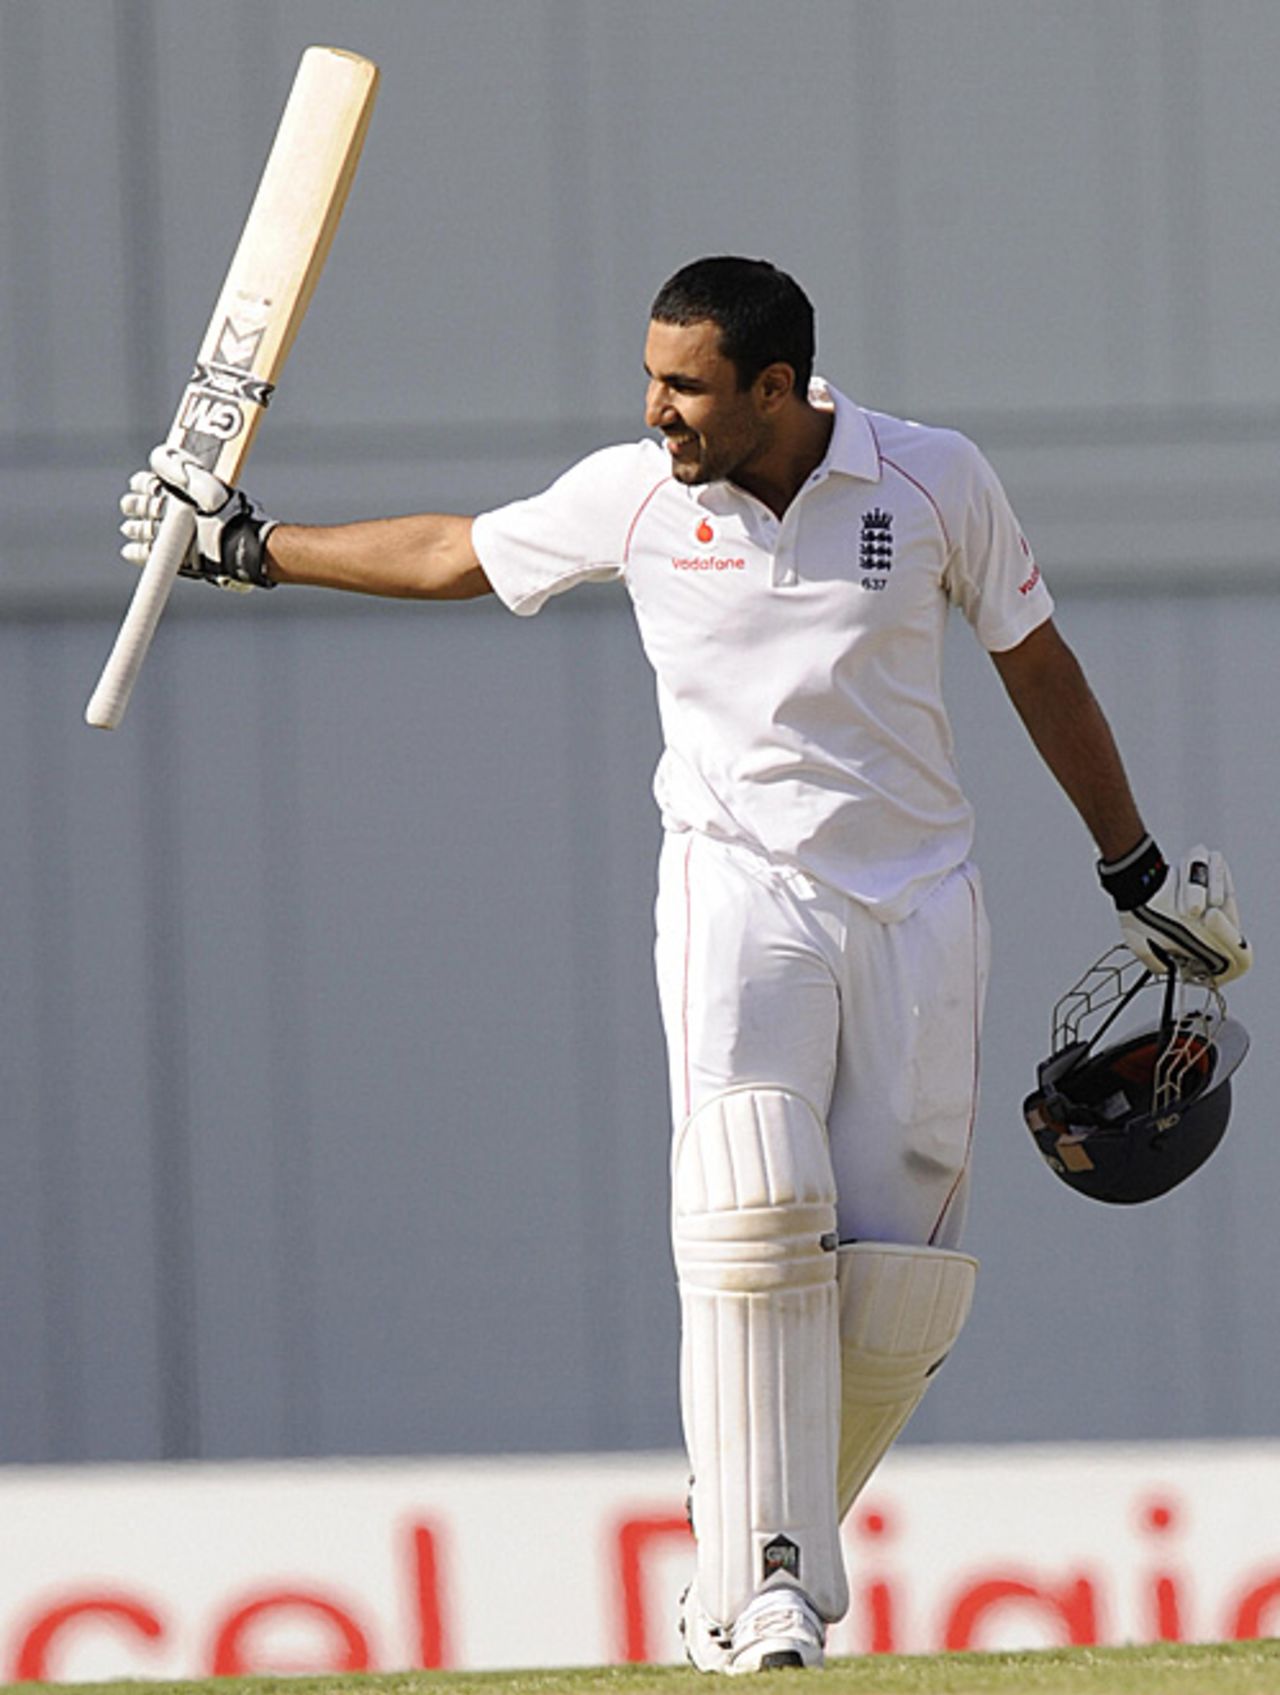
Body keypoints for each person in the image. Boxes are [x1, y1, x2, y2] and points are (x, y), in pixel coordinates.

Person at [119, 256, 1251, 1674]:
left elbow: (1038, 664)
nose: (655, 407)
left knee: (897, 1284)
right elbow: (459, 553)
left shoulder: (934, 478)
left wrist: (1132, 864)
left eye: (685, 384)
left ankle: (739, 1557)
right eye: (652, 376)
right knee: (756, 1196)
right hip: (736, 886)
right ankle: (770, 1580)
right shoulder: (638, 494)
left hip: (918, 906)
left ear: (776, 388)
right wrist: (250, 546)